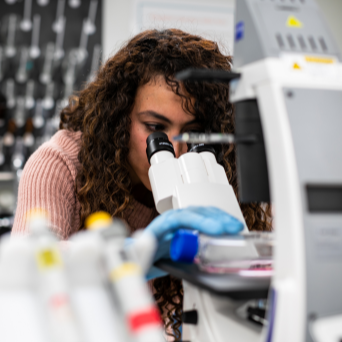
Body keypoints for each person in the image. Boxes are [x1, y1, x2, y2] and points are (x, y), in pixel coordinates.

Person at [12, 29, 272, 340]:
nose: (175, 151)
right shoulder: (58, 165)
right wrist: (131, 255)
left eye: (192, 132)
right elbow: (29, 275)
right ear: (120, 118)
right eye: (155, 129)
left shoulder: (208, 173)